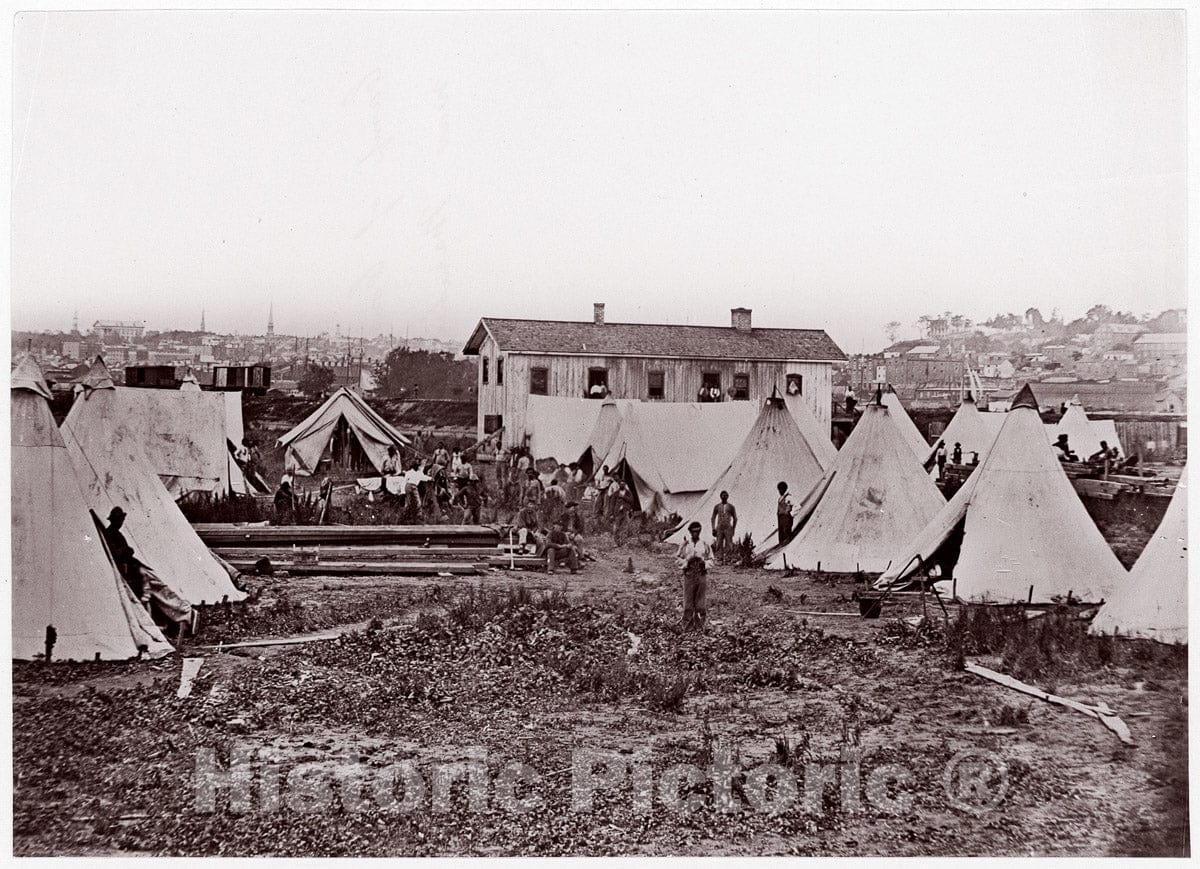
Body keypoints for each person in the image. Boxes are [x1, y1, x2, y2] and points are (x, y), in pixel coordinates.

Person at [103, 507, 192, 638]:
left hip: (132, 566)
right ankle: (176, 616)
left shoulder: (116, 533)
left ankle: (178, 615)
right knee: (149, 590)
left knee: (152, 588)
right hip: (127, 569)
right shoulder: (111, 533)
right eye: (119, 519)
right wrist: (128, 551)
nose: (121, 522)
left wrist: (128, 551)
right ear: (115, 520)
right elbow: (117, 553)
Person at [675, 521, 714, 631]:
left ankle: (700, 625)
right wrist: (686, 562)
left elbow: (711, 559)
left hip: (701, 573)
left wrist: (705, 564)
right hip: (689, 574)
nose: (695, 534)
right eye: (693, 532)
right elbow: (678, 558)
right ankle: (686, 626)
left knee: (700, 602)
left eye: (697, 532)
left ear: (700, 532)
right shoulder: (685, 544)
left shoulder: (705, 544)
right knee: (688, 601)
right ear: (690, 532)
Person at [711, 491, 738, 560]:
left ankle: (728, 558)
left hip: (728, 527)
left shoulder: (731, 507)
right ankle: (719, 557)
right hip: (719, 527)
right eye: (723, 495)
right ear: (720, 496)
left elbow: (735, 518)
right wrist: (713, 528)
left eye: (725, 495)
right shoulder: (717, 506)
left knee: (729, 543)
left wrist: (733, 528)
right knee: (719, 542)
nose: (724, 497)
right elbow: (713, 517)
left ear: (727, 497)